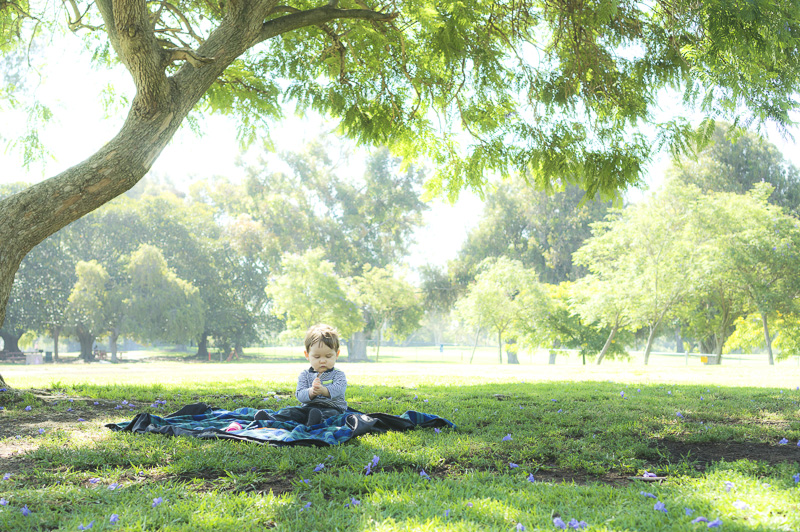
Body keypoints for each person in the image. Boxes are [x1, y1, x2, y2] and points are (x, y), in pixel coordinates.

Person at [255, 324, 347, 426]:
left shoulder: (338, 374)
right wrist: (311, 392)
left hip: (331, 407)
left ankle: (317, 422)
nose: (322, 361)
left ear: (337, 355)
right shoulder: (305, 375)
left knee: (331, 415)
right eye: (317, 357)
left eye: (328, 356)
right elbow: (300, 395)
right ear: (307, 355)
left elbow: (339, 389)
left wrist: (323, 390)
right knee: (292, 411)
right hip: (308, 408)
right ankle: (271, 419)